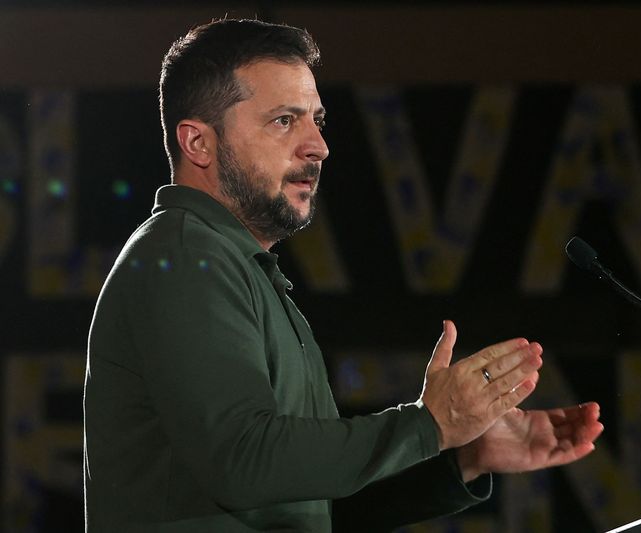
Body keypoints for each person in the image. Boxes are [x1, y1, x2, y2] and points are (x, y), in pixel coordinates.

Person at [83, 18, 603, 533]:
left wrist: (459, 453)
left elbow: (313, 508)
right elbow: (243, 461)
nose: (318, 146)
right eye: (284, 121)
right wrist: (427, 425)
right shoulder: (182, 259)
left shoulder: (241, 271)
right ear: (199, 143)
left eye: (316, 120)